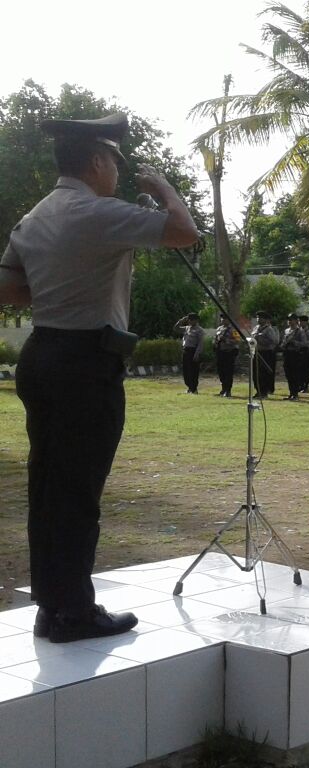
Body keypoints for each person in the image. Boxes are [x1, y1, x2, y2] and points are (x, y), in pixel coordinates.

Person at [0, 112, 198, 642]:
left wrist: (59, 286)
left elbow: (8, 287)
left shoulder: (35, 215)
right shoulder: (98, 211)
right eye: (113, 160)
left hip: (43, 355)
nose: (116, 170)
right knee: (78, 490)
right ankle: (73, 614)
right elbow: (185, 232)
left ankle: (53, 603)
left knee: (48, 485)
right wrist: (166, 190)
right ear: (95, 161)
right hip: (85, 363)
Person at [172, 312, 205, 394]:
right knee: (186, 371)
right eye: (189, 320)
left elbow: (200, 343)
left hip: (193, 352)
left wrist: (197, 354)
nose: (189, 321)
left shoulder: (199, 330)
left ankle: (194, 388)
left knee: (193, 371)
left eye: (191, 320)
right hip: (186, 351)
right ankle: (189, 387)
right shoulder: (187, 328)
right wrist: (181, 321)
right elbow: (176, 329)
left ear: (196, 320)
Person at [250, 312, 280, 399]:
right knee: (256, 373)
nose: (258, 319)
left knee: (263, 373)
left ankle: (264, 392)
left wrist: (260, 339)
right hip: (256, 352)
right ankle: (258, 391)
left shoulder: (269, 329)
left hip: (266, 353)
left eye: (261, 318)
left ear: (266, 320)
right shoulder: (256, 328)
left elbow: (274, 341)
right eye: (258, 317)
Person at [280, 313, 308, 400]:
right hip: (287, 354)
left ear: (296, 321)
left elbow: (304, 343)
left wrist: (295, 342)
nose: (289, 321)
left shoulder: (300, 331)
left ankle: (295, 394)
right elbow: (283, 342)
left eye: (291, 319)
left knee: (295, 375)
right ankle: (291, 393)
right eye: (288, 320)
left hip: (295, 355)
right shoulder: (286, 331)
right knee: (288, 375)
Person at [213, 313, 240, 397]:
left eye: (225, 319)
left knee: (228, 372)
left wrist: (226, 340)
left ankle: (228, 390)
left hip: (229, 352)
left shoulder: (233, 329)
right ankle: (223, 389)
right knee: (221, 372)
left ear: (229, 320)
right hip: (220, 352)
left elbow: (238, 340)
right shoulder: (219, 328)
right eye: (222, 319)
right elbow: (215, 339)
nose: (223, 320)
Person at [298, 315, 309, 393]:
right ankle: (300, 385)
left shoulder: (308, 331)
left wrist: (302, 343)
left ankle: (306, 386)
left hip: (306, 352)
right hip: (298, 352)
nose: (300, 323)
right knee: (299, 370)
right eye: (299, 321)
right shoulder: (298, 330)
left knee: (305, 370)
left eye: (301, 321)